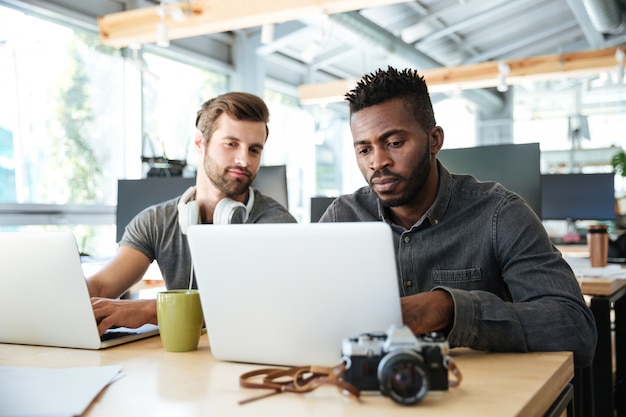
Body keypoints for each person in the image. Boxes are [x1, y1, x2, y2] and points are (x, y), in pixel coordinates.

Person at [319, 67, 597, 367]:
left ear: (435, 140)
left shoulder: (500, 214)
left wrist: (451, 310)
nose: (378, 162)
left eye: (395, 143)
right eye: (364, 149)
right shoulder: (342, 218)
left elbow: (575, 327)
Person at [88, 92, 297, 335]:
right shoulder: (157, 221)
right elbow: (101, 287)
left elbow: (258, 306)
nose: (244, 160)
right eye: (231, 144)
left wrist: (148, 310)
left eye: (254, 150)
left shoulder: (276, 225)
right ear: (200, 143)